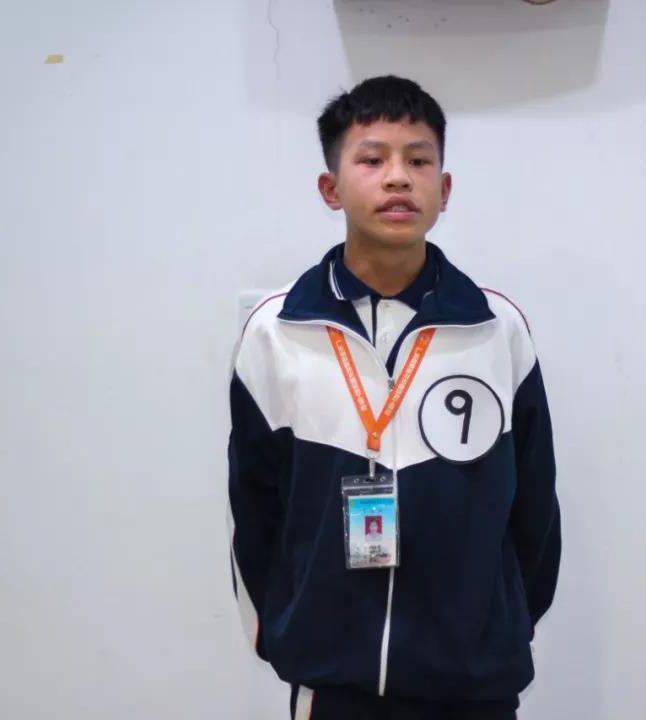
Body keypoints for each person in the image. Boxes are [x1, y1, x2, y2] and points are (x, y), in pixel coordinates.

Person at [227, 75, 561, 720]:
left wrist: (501, 626)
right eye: (372, 159)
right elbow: (253, 507)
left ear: (445, 189)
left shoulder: (497, 330)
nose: (399, 178)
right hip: (332, 684)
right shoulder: (276, 334)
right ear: (331, 188)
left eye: (419, 160)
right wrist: (287, 633)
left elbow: (535, 509)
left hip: (474, 686)